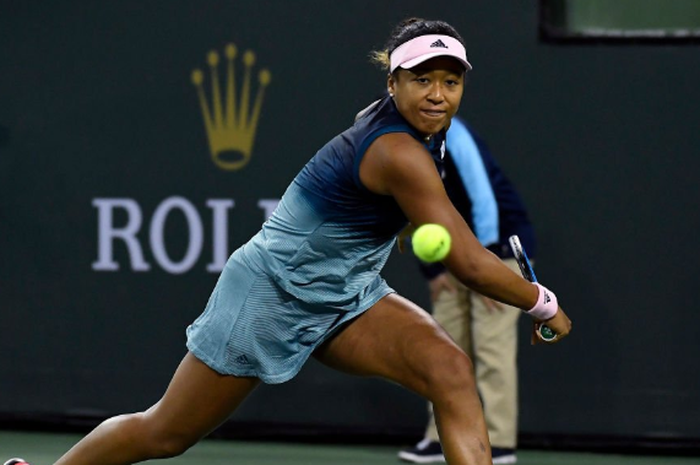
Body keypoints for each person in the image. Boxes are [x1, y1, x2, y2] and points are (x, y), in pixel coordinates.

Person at [5, 17, 571, 465]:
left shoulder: (421, 133)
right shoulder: (398, 150)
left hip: (346, 295)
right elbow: (469, 261)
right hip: (268, 297)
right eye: (422, 79)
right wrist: (542, 302)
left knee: (449, 371)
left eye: (451, 81)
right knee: (164, 433)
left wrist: (395, 227)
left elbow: (389, 208)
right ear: (392, 82)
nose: (438, 95)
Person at [398, 116, 536, 465]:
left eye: (447, 83)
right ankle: (438, 437)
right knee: (442, 347)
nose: (433, 96)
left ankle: (499, 441)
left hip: (497, 250)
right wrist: (432, 270)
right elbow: (413, 213)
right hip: (454, 254)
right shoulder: (403, 145)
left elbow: (484, 199)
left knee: (492, 346)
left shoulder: (456, 136)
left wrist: (486, 271)